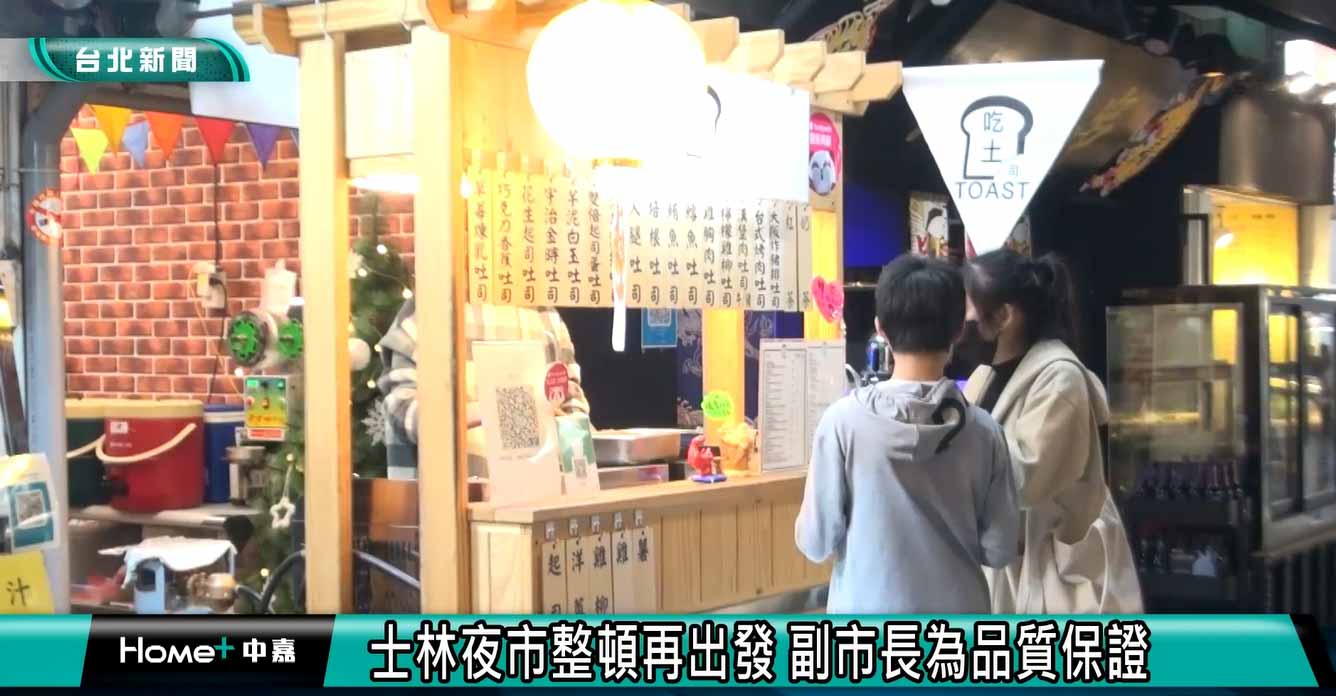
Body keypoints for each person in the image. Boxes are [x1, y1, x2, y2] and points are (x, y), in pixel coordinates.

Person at [795, 255, 1019, 613]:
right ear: (958, 331)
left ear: (880, 329)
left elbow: (816, 541)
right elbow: (1000, 549)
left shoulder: (841, 423)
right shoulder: (985, 431)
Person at [960, 248, 1143, 613]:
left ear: (1004, 316)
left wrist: (956, 432)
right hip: (1006, 567)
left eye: (968, 309)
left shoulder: (1061, 379)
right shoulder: (984, 375)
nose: (960, 322)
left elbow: (1024, 479)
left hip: (1055, 576)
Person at [377, 300, 590, 481]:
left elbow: (572, 407)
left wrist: (582, 475)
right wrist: (504, 407)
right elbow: (405, 414)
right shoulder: (427, 307)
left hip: (541, 493)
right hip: (450, 501)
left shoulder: (543, 313)